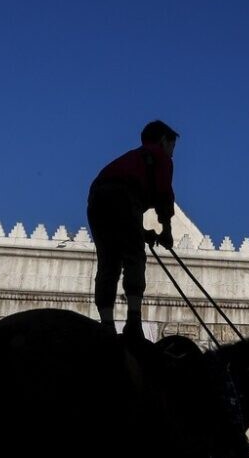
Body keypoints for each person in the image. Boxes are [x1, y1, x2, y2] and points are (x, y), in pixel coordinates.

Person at [87, 120, 178, 338]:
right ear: (164, 140)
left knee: (108, 260)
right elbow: (164, 193)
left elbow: (124, 218)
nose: (173, 153)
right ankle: (134, 322)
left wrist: (141, 231)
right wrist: (166, 230)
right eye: (172, 146)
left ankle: (107, 324)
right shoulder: (159, 156)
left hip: (97, 200)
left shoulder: (131, 158)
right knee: (134, 256)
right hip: (123, 197)